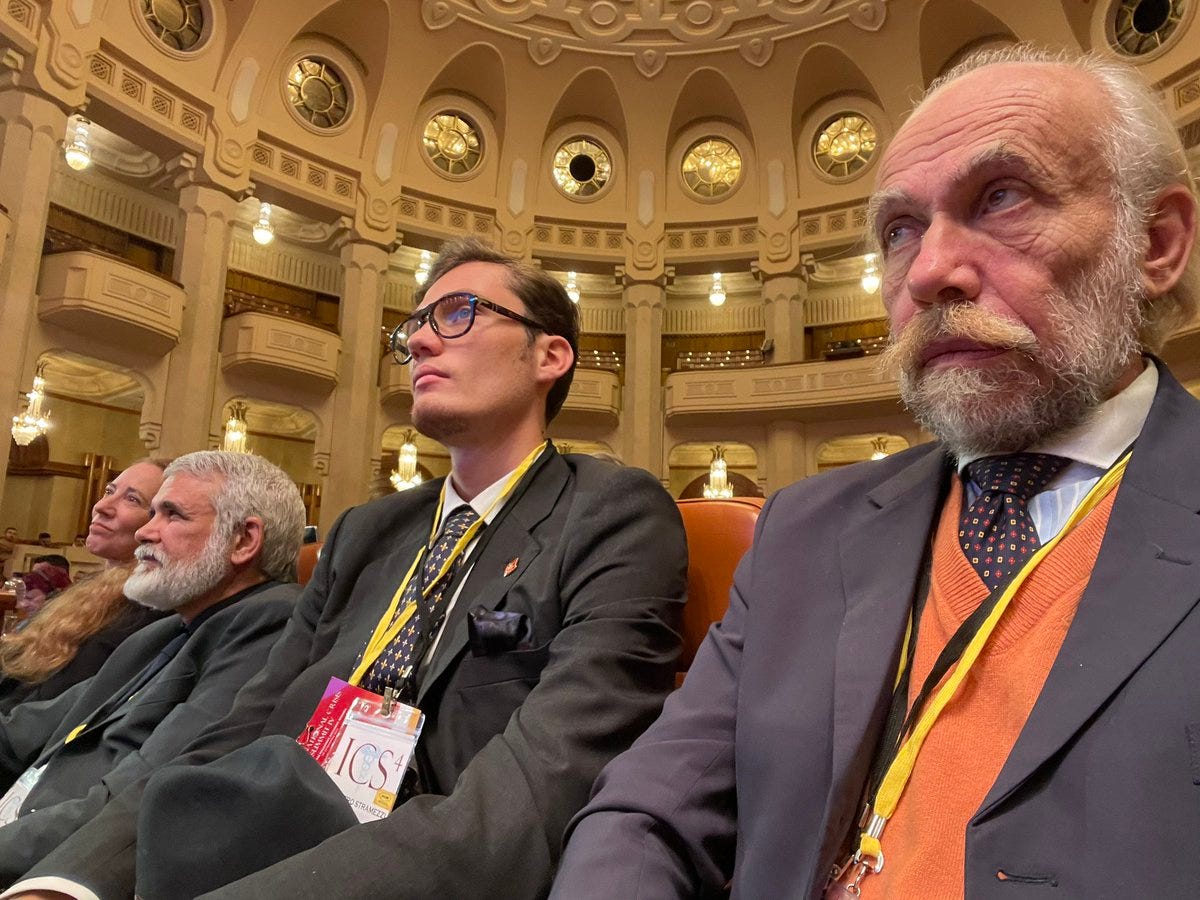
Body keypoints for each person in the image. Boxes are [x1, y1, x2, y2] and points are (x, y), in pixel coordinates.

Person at [552, 46, 1200, 899]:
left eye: (1001, 197)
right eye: (900, 231)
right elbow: (648, 809)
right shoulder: (802, 529)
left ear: (1155, 244)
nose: (929, 272)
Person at [7, 236, 687, 899]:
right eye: (415, 325)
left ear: (551, 355)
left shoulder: (611, 513)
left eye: (458, 314)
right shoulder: (366, 531)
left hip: (426, 866)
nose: (419, 341)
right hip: (267, 825)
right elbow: (247, 727)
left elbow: (537, 791)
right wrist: (70, 881)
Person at [0, 451, 304, 884]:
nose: (145, 530)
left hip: (55, 865)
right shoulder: (162, 632)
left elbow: (137, 792)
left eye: (172, 515)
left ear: (243, 541)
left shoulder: (270, 624)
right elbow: (25, 729)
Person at [0, 462, 172, 714]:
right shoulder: (88, 591)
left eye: (132, 499)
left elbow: (40, 713)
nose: (101, 506)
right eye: (109, 491)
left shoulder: (137, 613)